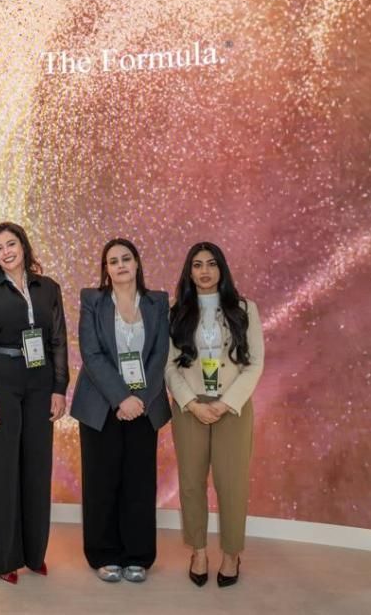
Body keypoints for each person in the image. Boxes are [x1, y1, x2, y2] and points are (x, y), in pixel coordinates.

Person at [0, 222, 68, 584]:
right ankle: (2, 559)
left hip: (40, 382)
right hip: (1, 381)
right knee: (2, 471)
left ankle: (33, 553)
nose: (6, 252)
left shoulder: (48, 288)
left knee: (37, 467)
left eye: (11, 244)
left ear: (24, 245)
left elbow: (58, 339)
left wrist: (59, 387)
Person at [70, 238, 170, 584]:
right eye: (113, 261)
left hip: (145, 405)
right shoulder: (92, 300)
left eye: (126, 258)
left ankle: (137, 556)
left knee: (139, 483)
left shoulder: (158, 301)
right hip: (101, 405)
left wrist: (138, 399)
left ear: (137, 263)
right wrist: (121, 398)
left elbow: (160, 354)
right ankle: (104, 554)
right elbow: (91, 354)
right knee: (101, 482)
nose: (121, 265)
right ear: (106, 269)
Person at [165, 242, 264, 588]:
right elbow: (169, 366)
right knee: (192, 483)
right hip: (189, 407)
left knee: (231, 483)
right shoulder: (176, 313)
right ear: (189, 272)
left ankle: (232, 553)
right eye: (197, 265)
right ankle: (198, 551)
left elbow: (255, 364)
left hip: (233, 407)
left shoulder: (245, 310)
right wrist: (192, 403)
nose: (204, 271)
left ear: (221, 269)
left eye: (211, 264)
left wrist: (225, 403)